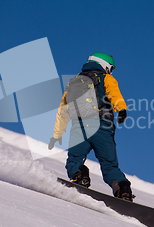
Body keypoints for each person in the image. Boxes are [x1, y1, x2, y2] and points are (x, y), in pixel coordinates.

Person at [48, 52, 133, 201]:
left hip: (79, 128)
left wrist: (57, 134)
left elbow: (63, 110)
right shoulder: (106, 78)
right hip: (102, 127)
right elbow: (115, 94)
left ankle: (80, 176)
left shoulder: (74, 82)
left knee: (74, 160)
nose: (110, 71)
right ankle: (122, 189)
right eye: (110, 68)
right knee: (110, 166)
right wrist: (121, 109)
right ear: (104, 65)